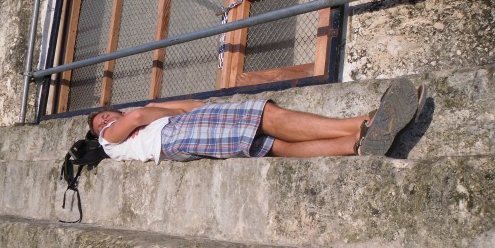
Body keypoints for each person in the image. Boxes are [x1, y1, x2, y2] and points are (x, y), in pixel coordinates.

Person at [88, 77, 426, 163]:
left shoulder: (148, 114)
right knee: (265, 115)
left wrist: (182, 109)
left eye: (104, 113)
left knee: (272, 145)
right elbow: (136, 115)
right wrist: (166, 112)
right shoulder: (109, 139)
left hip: (180, 134)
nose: (103, 119)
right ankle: (359, 124)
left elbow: (191, 104)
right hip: (176, 134)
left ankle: (355, 145)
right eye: (99, 122)